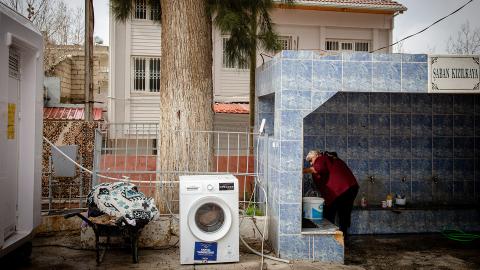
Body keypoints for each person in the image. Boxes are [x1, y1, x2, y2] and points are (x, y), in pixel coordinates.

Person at [303, 150, 358, 239]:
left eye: (311, 160)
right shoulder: (329, 159)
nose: (311, 163)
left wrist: (300, 171)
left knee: (334, 214)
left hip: (343, 189)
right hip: (348, 188)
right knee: (341, 214)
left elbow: (318, 168)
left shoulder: (321, 159)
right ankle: (339, 239)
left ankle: (334, 240)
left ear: (317, 155)